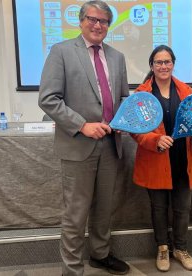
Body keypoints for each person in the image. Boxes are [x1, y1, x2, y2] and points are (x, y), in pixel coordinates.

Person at [38, 1, 130, 275]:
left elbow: (123, 97)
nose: (98, 25)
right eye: (92, 19)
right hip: (78, 145)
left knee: (104, 209)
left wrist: (127, 119)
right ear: (81, 21)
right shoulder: (61, 52)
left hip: (111, 146)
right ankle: (72, 269)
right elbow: (48, 99)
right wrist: (82, 125)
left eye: (103, 21)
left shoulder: (117, 57)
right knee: (76, 215)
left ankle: (100, 255)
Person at [131, 45, 192, 272]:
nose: (163, 66)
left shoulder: (185, 90)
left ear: (173, 64)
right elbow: (135, 130)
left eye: (167, 62)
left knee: (182, 209)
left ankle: (181, 249)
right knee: (159, 208)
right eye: (158, 62)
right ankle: (163, 248)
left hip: (182, 162)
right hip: (155, 162)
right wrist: (154, 140)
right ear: (151, 66)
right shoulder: (142, 94)